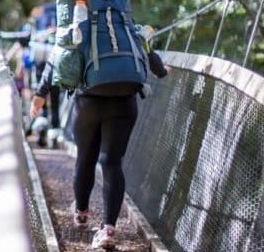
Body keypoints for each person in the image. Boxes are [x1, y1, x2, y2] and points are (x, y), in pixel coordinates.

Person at [31, 47, 169, 249]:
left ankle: (81, 212)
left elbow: (57, 55)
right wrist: (161, 71)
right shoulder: (122, 17)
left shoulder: (77, 18)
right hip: (125, 100)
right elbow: (145, 45)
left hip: (88, 100)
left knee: (85, 157)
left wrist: (41, 92)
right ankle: (108, 229)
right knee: (112, 162)